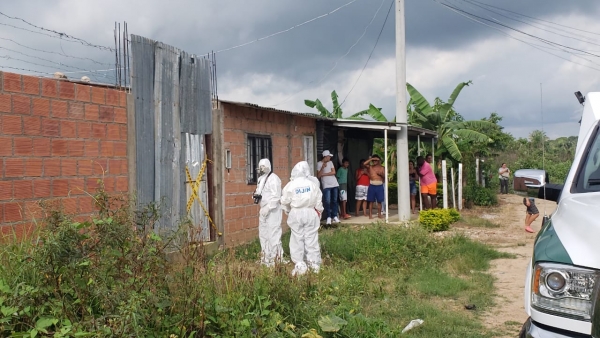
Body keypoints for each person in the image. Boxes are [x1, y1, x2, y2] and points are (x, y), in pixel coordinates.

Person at [280, 161, 324, 276]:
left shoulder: (291, 185)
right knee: (311, 238)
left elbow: (284, 201)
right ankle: (314, 265)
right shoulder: (312, 184)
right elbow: (318, 200)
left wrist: (287, 210)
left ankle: (299, 264)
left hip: (296, 213)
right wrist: (319, 211)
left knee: (296, 238)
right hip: (310, 212)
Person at [253, 159, 284, 267]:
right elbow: (259, 192)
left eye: (263, 166)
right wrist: (255, 196)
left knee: (273, 234)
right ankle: (265, 258)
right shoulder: (261, 179)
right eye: (260, 166)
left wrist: (269, 207)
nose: (261, 169)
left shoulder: (274, 178)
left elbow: (276, 196)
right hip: (263, 210)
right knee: (263, 234)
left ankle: (276, 259)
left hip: (273, 210)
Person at [317, 150, 340, 225]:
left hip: (334, 184)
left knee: (334, 200)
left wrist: (324, 174)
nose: (330, 157)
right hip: (326, 185)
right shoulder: (319, 164)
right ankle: (328, 217)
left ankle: (335, 216)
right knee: (327, 201)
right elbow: (319, 175)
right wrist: (322, 168)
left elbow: (334, 172)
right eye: (329, 156)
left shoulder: (330, 162)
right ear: (325, 156)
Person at [363, 155, 385, 219]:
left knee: (379, 201)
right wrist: (372, 158)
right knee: (371, 201)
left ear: (379, 161)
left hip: (379, 185)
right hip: (372, 185)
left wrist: (381, 174)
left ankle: (379, 214)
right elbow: (364, 163)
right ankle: (370, 215)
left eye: (376, 160)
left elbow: (385, 176)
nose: (374, 161)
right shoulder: (370, 167)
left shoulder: (382, 168)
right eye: (373, 160)